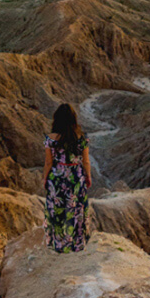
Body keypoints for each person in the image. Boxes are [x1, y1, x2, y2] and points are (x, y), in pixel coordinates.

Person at [43, 103, 91, 252]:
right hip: (76, 177)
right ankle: (77, 244)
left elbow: (48, 162)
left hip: (57, 177)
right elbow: (86, 161)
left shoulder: (50, 139)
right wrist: (88, 177)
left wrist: (45, 179)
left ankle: (58, 244)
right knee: (76, 209)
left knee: (57, 209)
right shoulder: (81, 138)